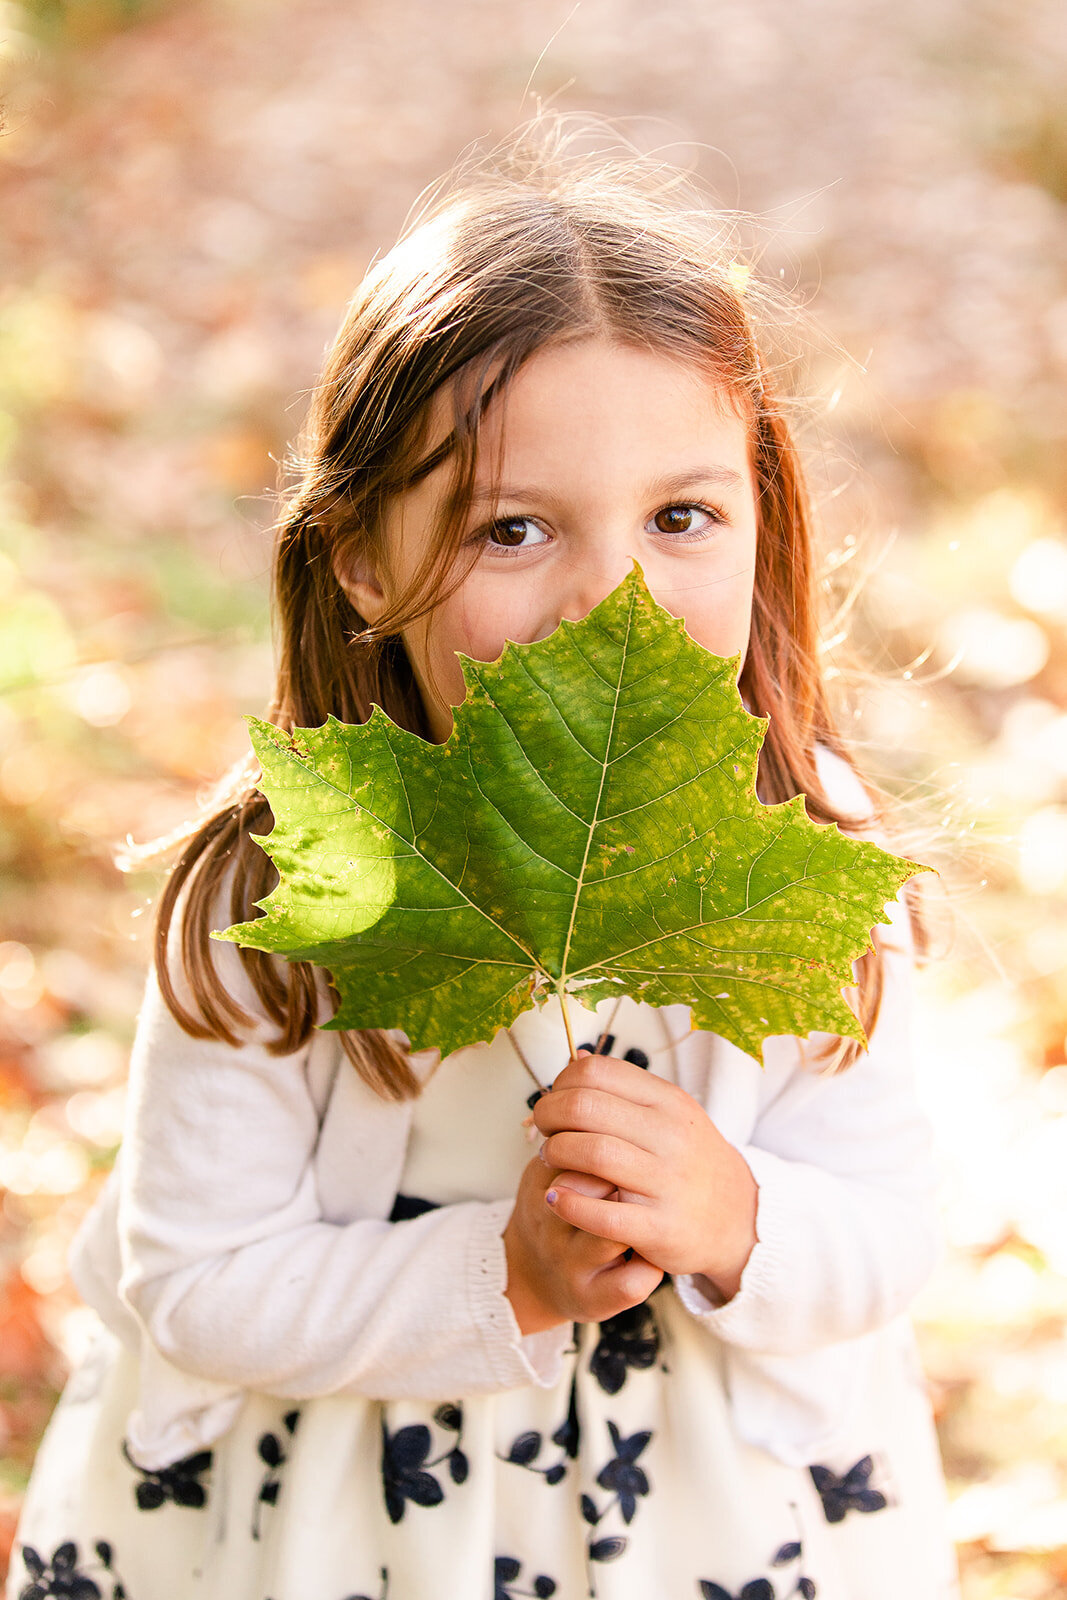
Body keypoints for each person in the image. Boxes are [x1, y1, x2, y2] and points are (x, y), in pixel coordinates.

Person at [7, 130, 959, 1600]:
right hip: (351, 1525)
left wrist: (738, 1218)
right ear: (363, 562)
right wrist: (500, 1280)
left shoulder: (799, 849)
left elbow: (893, 1234)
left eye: (680, 517)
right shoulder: (292, 886)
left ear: (764, 523)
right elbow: (192, 1282)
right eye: (513, 528)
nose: (611, 597)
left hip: (712, 1522)